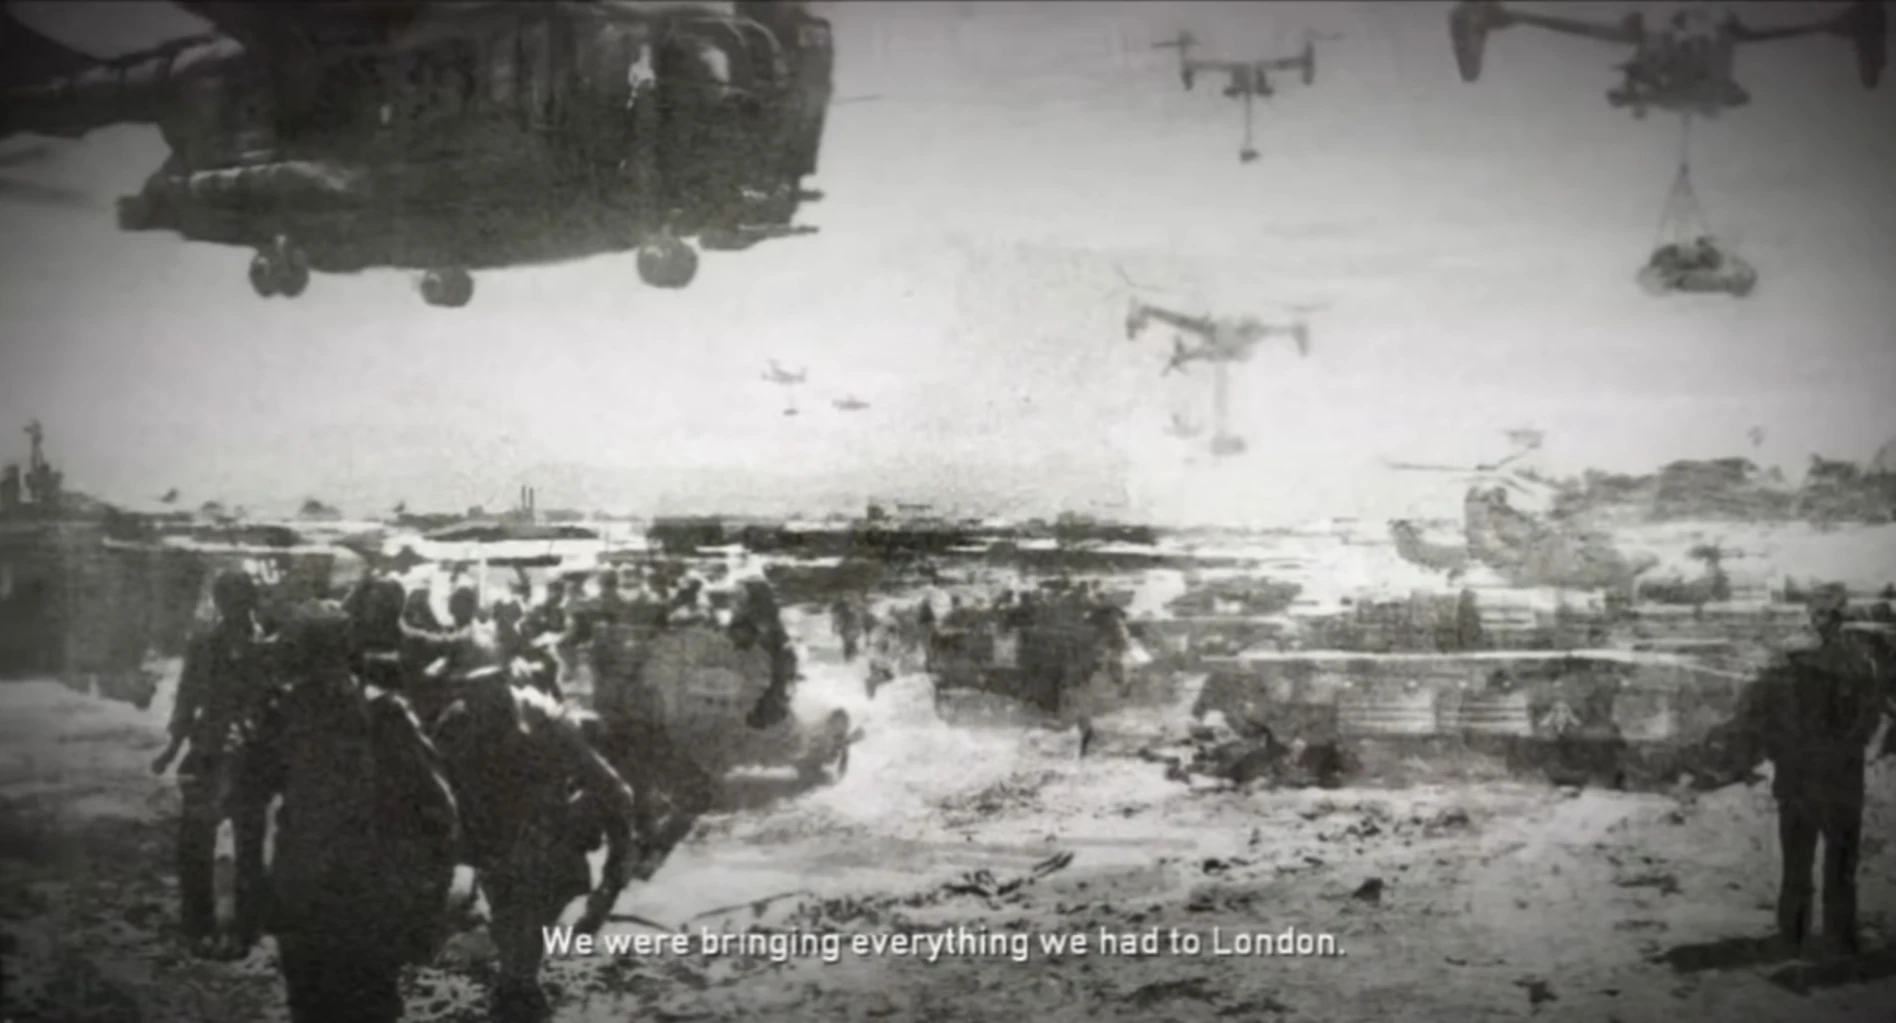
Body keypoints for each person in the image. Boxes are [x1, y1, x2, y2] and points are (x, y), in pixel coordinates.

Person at [265, 601, 460, 1023]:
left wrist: (427, 902)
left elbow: (437, 810)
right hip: (316, 894)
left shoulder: (382, 716)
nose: (317, 680)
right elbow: (440, 813)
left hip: (359, 893)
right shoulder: (284, 715)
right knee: (318, 1004)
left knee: (358, 1003)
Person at [1692, 584, 1888, 958]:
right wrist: (1844, 749)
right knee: (1839, 861)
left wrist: (1763, 756)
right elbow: (1868, 720)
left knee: (1798, 860)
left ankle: (1793, 935)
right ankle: (1839, 938)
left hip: (1797, 776)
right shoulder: (1857, 665)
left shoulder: (1780, 669)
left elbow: (1753, 720)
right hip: (1841, 778)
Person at [151, 569, 276, 959]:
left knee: (250, 844)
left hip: (252, 755)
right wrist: (172, 747)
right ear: (219, 603)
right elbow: (187, 697)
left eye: (240, 598)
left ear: (251, 601)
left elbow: (276, 703)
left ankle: (247, 926)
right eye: (227, 599)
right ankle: (198, 922)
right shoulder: (205, 646)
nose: (234, 607)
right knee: (196, 842)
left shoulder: (268, 648)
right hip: (208, 750)